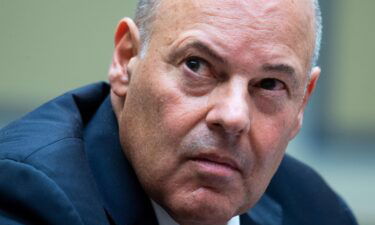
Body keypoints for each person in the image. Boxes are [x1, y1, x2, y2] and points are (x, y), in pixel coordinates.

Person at [0, 0, 358, 224]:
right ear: (126, 59)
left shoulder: (316, 211)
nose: (233, 116)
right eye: (197, 65)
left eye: (269, 85)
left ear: (302, 104)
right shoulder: (30, 198)